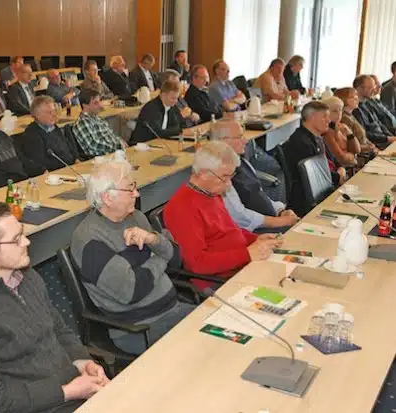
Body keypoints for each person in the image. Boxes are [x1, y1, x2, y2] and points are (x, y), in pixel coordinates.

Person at [0, 201, 110, 413]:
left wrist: (82, 361)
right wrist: (66, 392)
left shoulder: (27, 276)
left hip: (72, 388)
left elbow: (58, 328)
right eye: (16, 239)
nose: (26, 241)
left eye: (22, 233)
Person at [71, 159, 194, 355]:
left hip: (172, 309)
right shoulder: (90, 239)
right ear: (108, 198)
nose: (137, 194)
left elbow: (176, 260)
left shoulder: (136, 217)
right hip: (139, 329)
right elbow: (132, 290)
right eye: (130, 189)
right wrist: (159, 255)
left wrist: (153, 240)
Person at [163, 141, 282, 290]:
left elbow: (229, 231)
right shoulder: (182, 207)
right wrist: (247, 254)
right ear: (203, 174)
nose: (228, 184)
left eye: (231, 176)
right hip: (218, 281)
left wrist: (255, 239)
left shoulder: (211, 192)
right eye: (224, 177)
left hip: (240, 266)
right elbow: (197, 264)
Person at [212, 120, 299, 233]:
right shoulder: (218, 173)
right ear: (223, 141)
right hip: (251, 231)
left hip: (268, 220)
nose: (245, 140)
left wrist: (280, 210)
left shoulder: (241, 161)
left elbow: (259, 193)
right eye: (239, 137)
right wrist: (278, 221)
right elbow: (239, 217)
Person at [283, 101, 344, 215]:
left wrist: (341, 168)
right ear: (312, 117)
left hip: (327, 187)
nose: (329, 120)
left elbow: (333, 159)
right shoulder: (300, 143)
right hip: (309, 199)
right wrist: (339, 176)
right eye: (324, 116)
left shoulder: (318, 137)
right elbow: (316, 174)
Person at [15, 96, 78, 171]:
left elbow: (68, 145)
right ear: (37, 115)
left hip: (71, 167)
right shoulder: (32, 135)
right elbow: (41, 162)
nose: (54, 115)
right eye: (49, 112)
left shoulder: (54, 127)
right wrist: (66, 163)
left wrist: (76, 158)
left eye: (54, 111)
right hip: (55, 173)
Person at [129, 80, 193, 144]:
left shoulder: (171, 106)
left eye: (177, 98)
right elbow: (158, 133)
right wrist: (180, 131)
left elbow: (178, 125)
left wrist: (179, 130)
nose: (176, 101)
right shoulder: (152, 108)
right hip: (141, 145)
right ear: (163, 95)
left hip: (160, 143)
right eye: (173, 98)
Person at [72, 89, 125, 158]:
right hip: (103, 159)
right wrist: (118, 144)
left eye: (99, 101)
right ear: (85, 106)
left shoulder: (98, 118)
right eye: (95, 103)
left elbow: (111, 134)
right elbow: (94, 145)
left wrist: (120, 141)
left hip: (114, 154)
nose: (100, 105)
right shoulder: (82, 123)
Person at [352, 75, 396, 150]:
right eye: (370, 88)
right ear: (360, 88)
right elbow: (363, 134)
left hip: (384, 141)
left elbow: (379, 124)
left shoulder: (367, 103)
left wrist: (392, 137)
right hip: (376, 144)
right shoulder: (355, 109)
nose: (373, 90)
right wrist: (388, 139)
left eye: (373, 87)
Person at [334, 87, 378, 154]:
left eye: (356, 96)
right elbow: (349, 144)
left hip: (367, 152)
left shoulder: (351, 115)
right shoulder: (344, 118)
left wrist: (371, 145)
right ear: (343, 99)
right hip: (360, 157)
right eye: (353, 97)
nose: (357, 98)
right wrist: (369, 147)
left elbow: (363, 137)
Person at [322, 96, 361, 169]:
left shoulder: (341, 127)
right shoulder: (326, 132)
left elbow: (357, 150)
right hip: (340, 170)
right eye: (334, 111)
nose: (339, 114)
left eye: (340, 110)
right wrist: (353, 156)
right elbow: (341, 158)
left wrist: (349, 133)